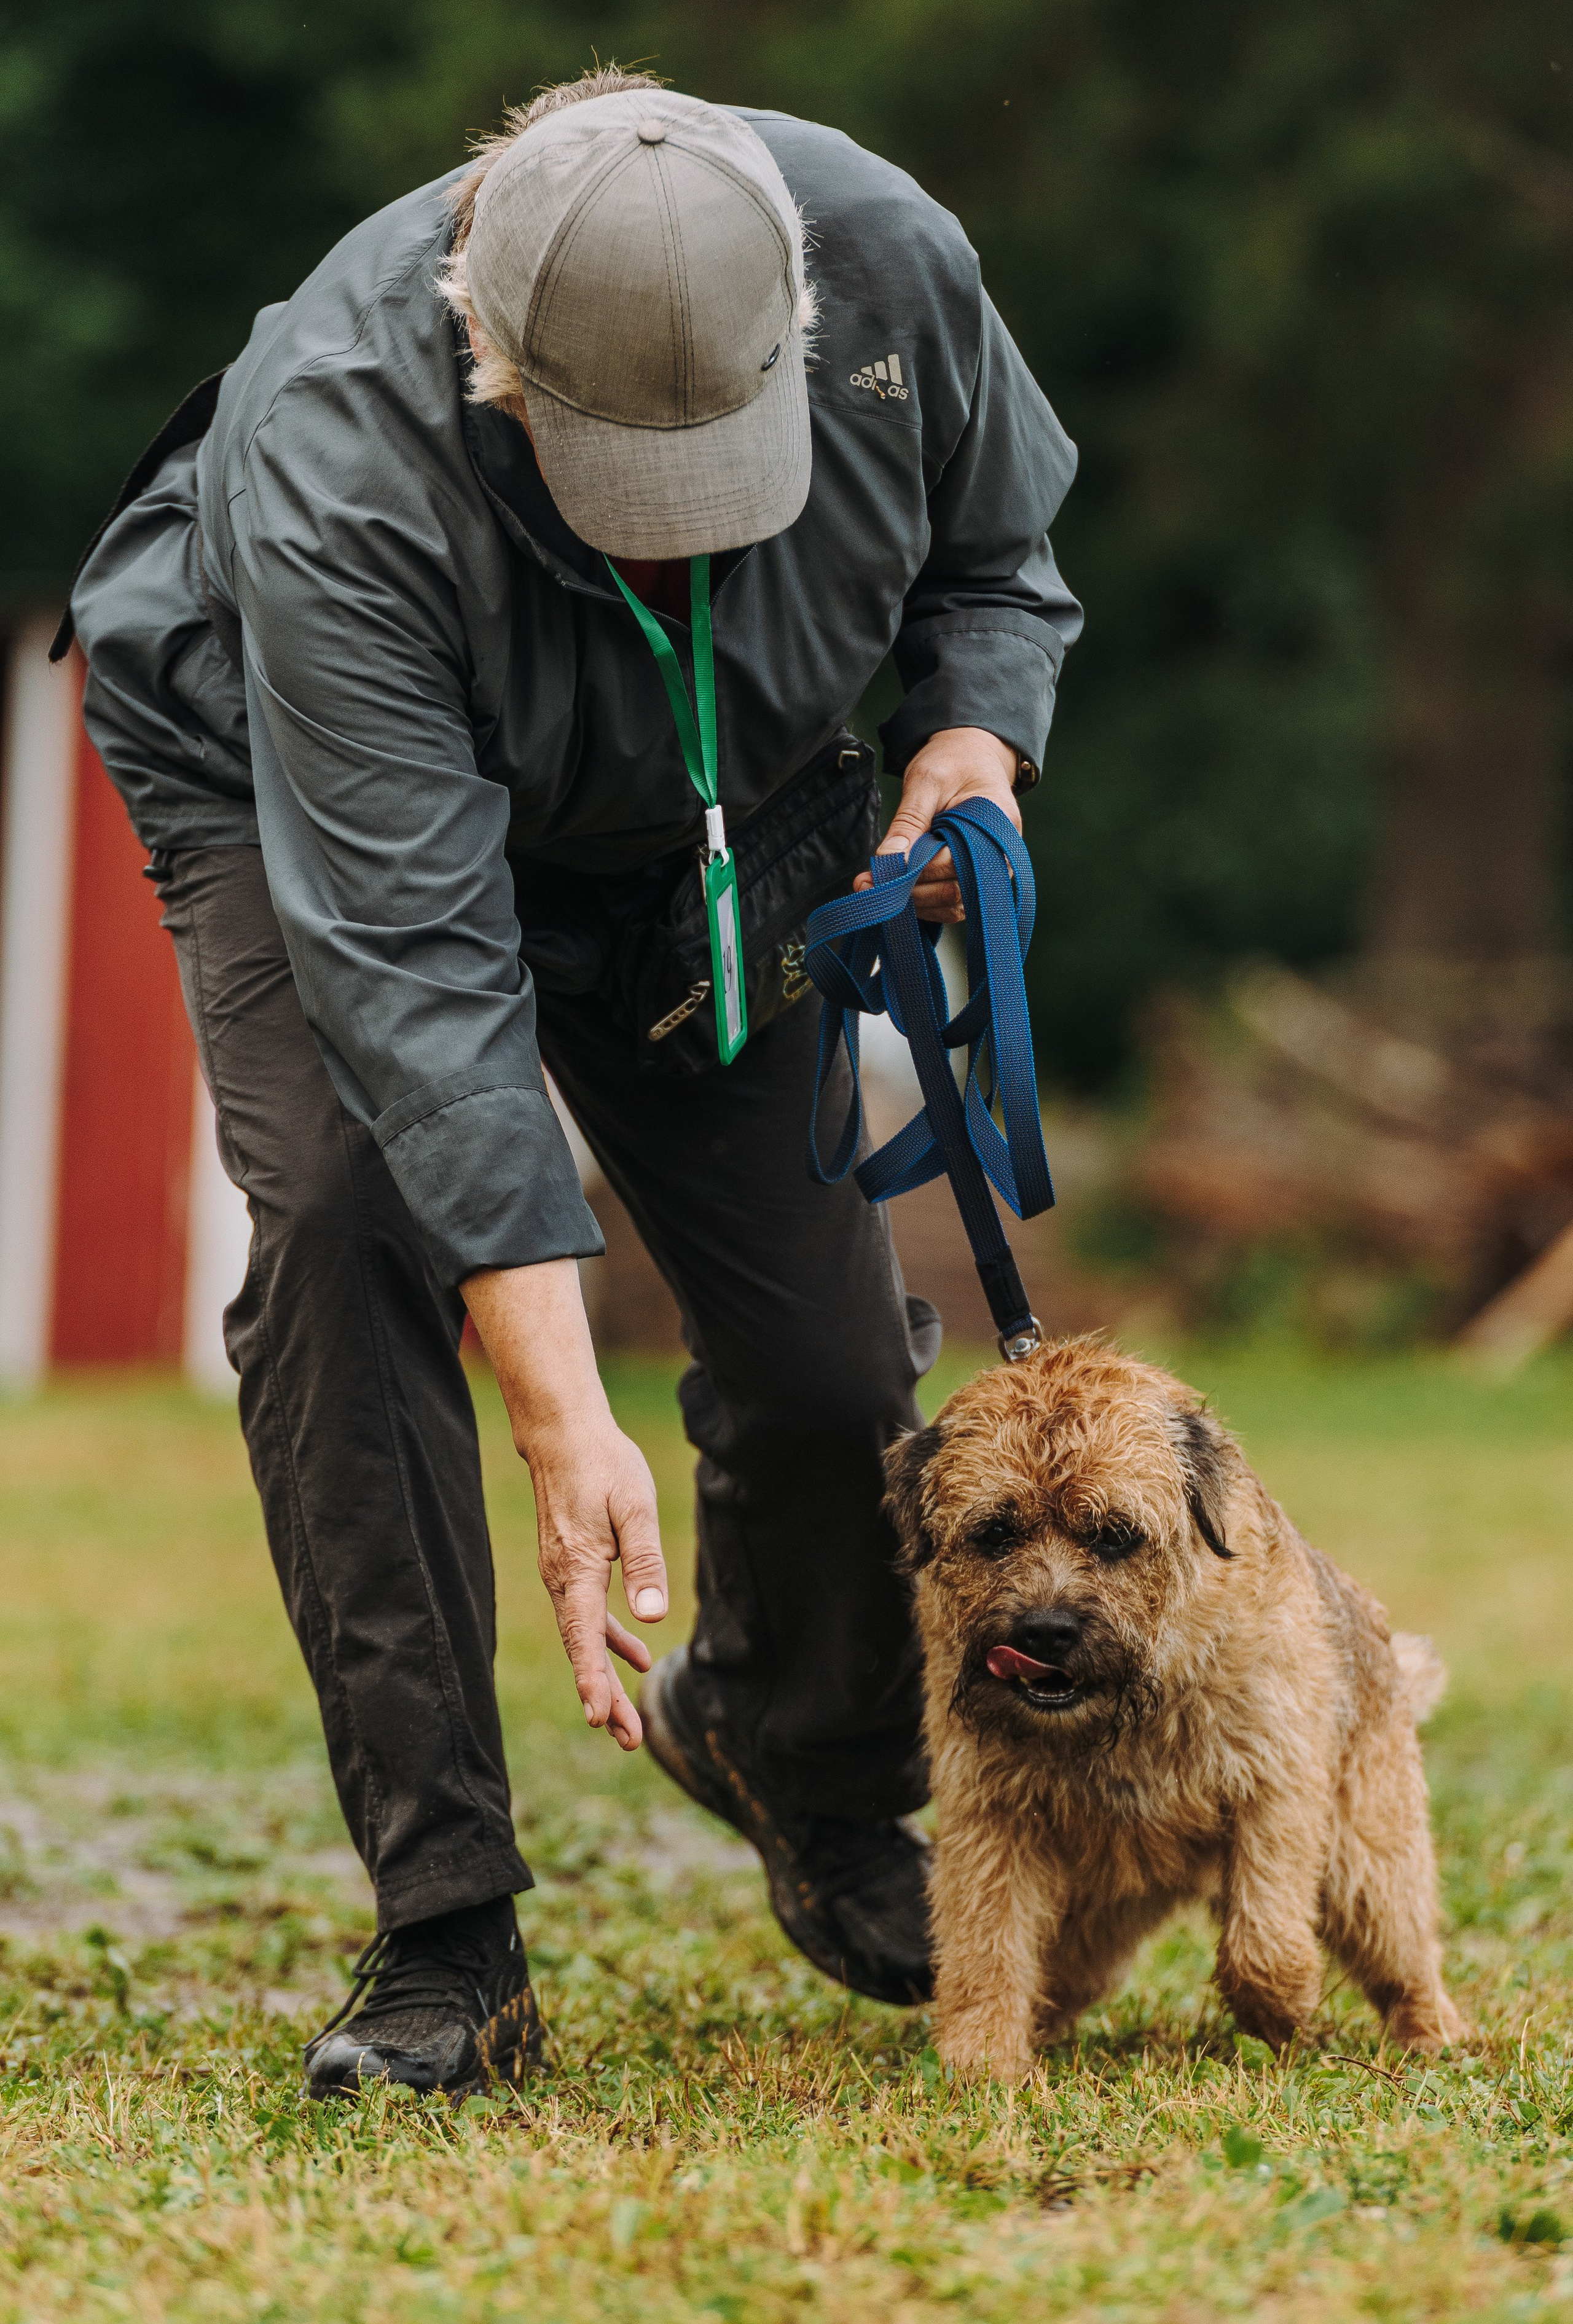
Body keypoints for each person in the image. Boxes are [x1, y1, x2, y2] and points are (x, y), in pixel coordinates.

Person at [68, 66, 1081, 2098]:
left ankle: (794, 1753)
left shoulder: (888, 259)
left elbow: (998, 563)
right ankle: (448, 1937)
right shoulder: (338, 464)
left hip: (723, 805)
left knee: (823, 1371)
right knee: (351, 1228)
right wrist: (557, 1412)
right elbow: (423, 986)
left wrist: (972, 744)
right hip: (311, 799)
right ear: (491, 360)